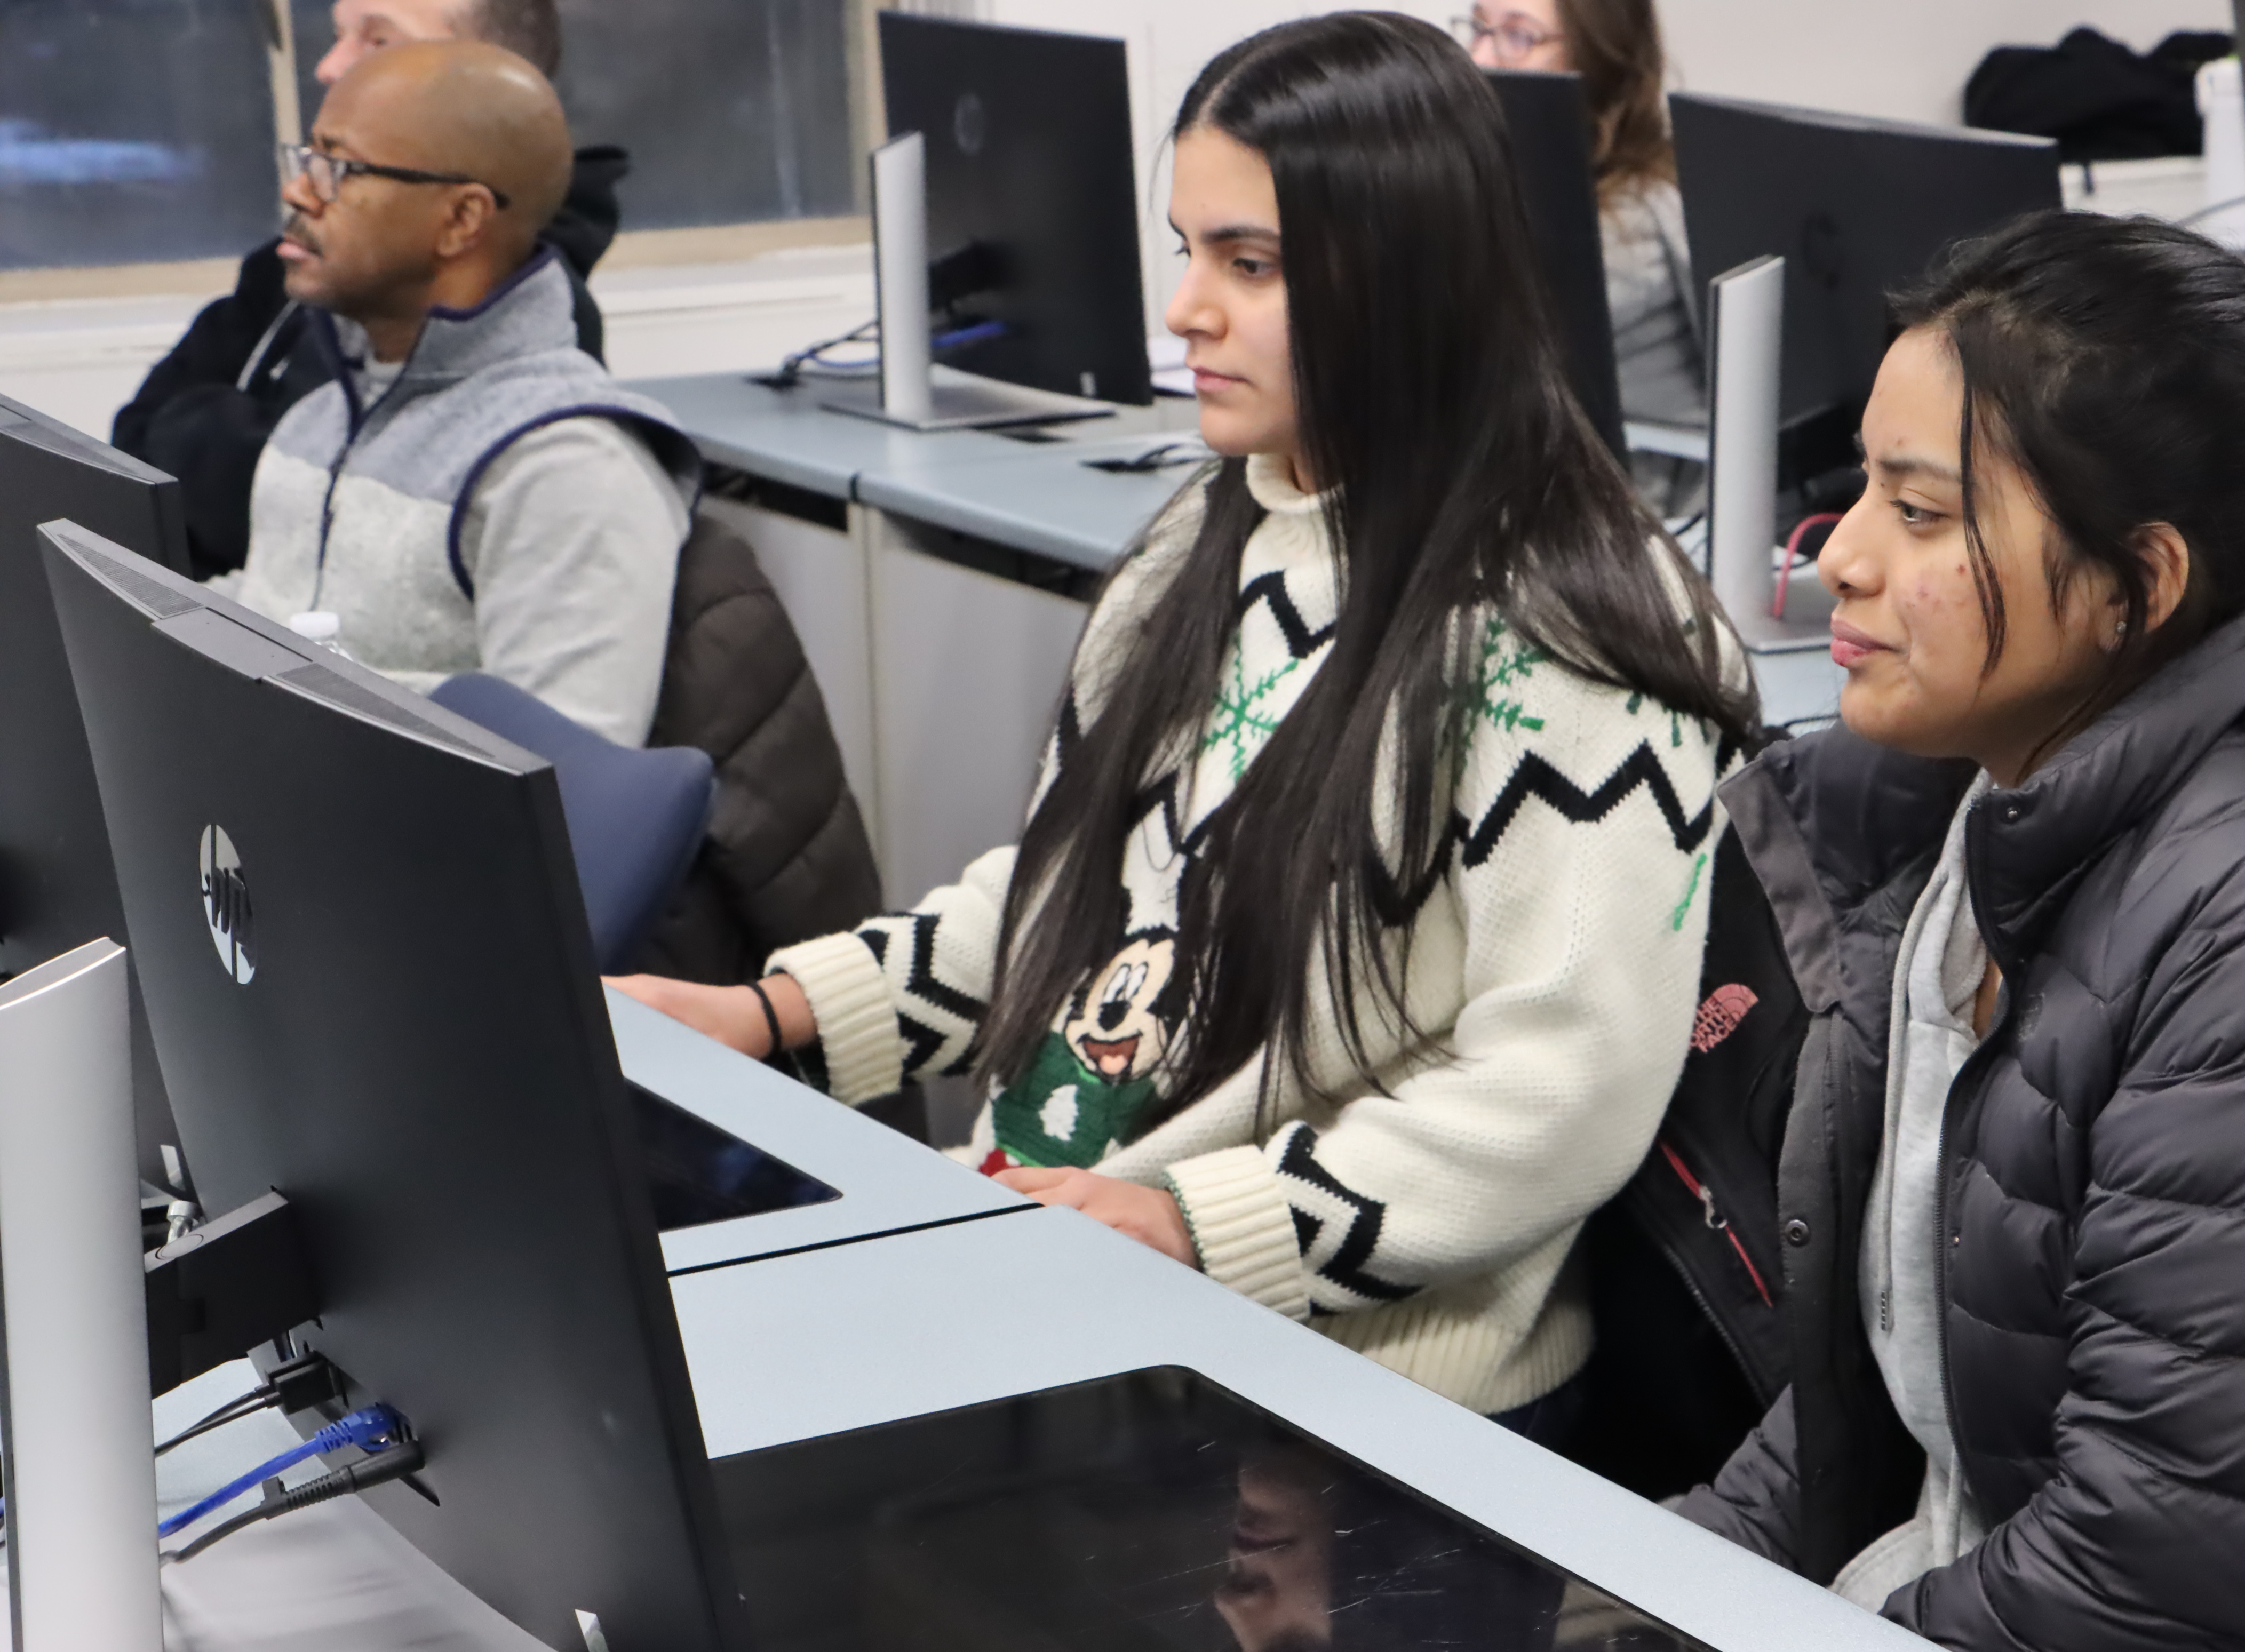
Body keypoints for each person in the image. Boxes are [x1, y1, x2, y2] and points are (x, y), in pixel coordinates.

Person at [615, 12, 1756, 1436]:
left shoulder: (1566, 626)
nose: (1186, 314)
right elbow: (1081, 899)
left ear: (1407, 276)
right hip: (1096, 1306)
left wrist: (1191, 1227)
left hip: (1373, 1413)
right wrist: (774, 1015)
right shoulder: (1206, 539)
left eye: (1251, 265)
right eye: (1189, 251)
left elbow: (1560, 1092)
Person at [1671, 210, 2245, 1652]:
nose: (1841, 562)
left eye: (1926, 512)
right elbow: (1886, 1395)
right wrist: (1648, 1593)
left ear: (2136, 586)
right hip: (1993, 1616)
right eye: (1861, 494)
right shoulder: (1996, 807)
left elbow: (2161, 1574)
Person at [218, 40, 694, 746]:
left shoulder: (566, 466)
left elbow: (569, 778)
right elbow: (271, 620)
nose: (299, 191)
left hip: (413, 851)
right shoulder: (315, 422)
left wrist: (295, 686)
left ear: (462, 219)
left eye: (338, 168)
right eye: (306, 158)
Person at [112, 0, 627, 579]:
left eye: (376, 41)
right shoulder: (307, 261)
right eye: (337, 37)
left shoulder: (540, 348)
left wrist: (195, 427)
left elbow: (306, 514)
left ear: (493, 79)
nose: (331, 67)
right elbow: (135, 450)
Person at [1462, 0, 1702, 517]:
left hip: (1635, 519)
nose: (1480, 58)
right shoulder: (1512, 196)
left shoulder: (1630, 224)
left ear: (1599, 61)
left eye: (1518, 36)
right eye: (1479, 28)